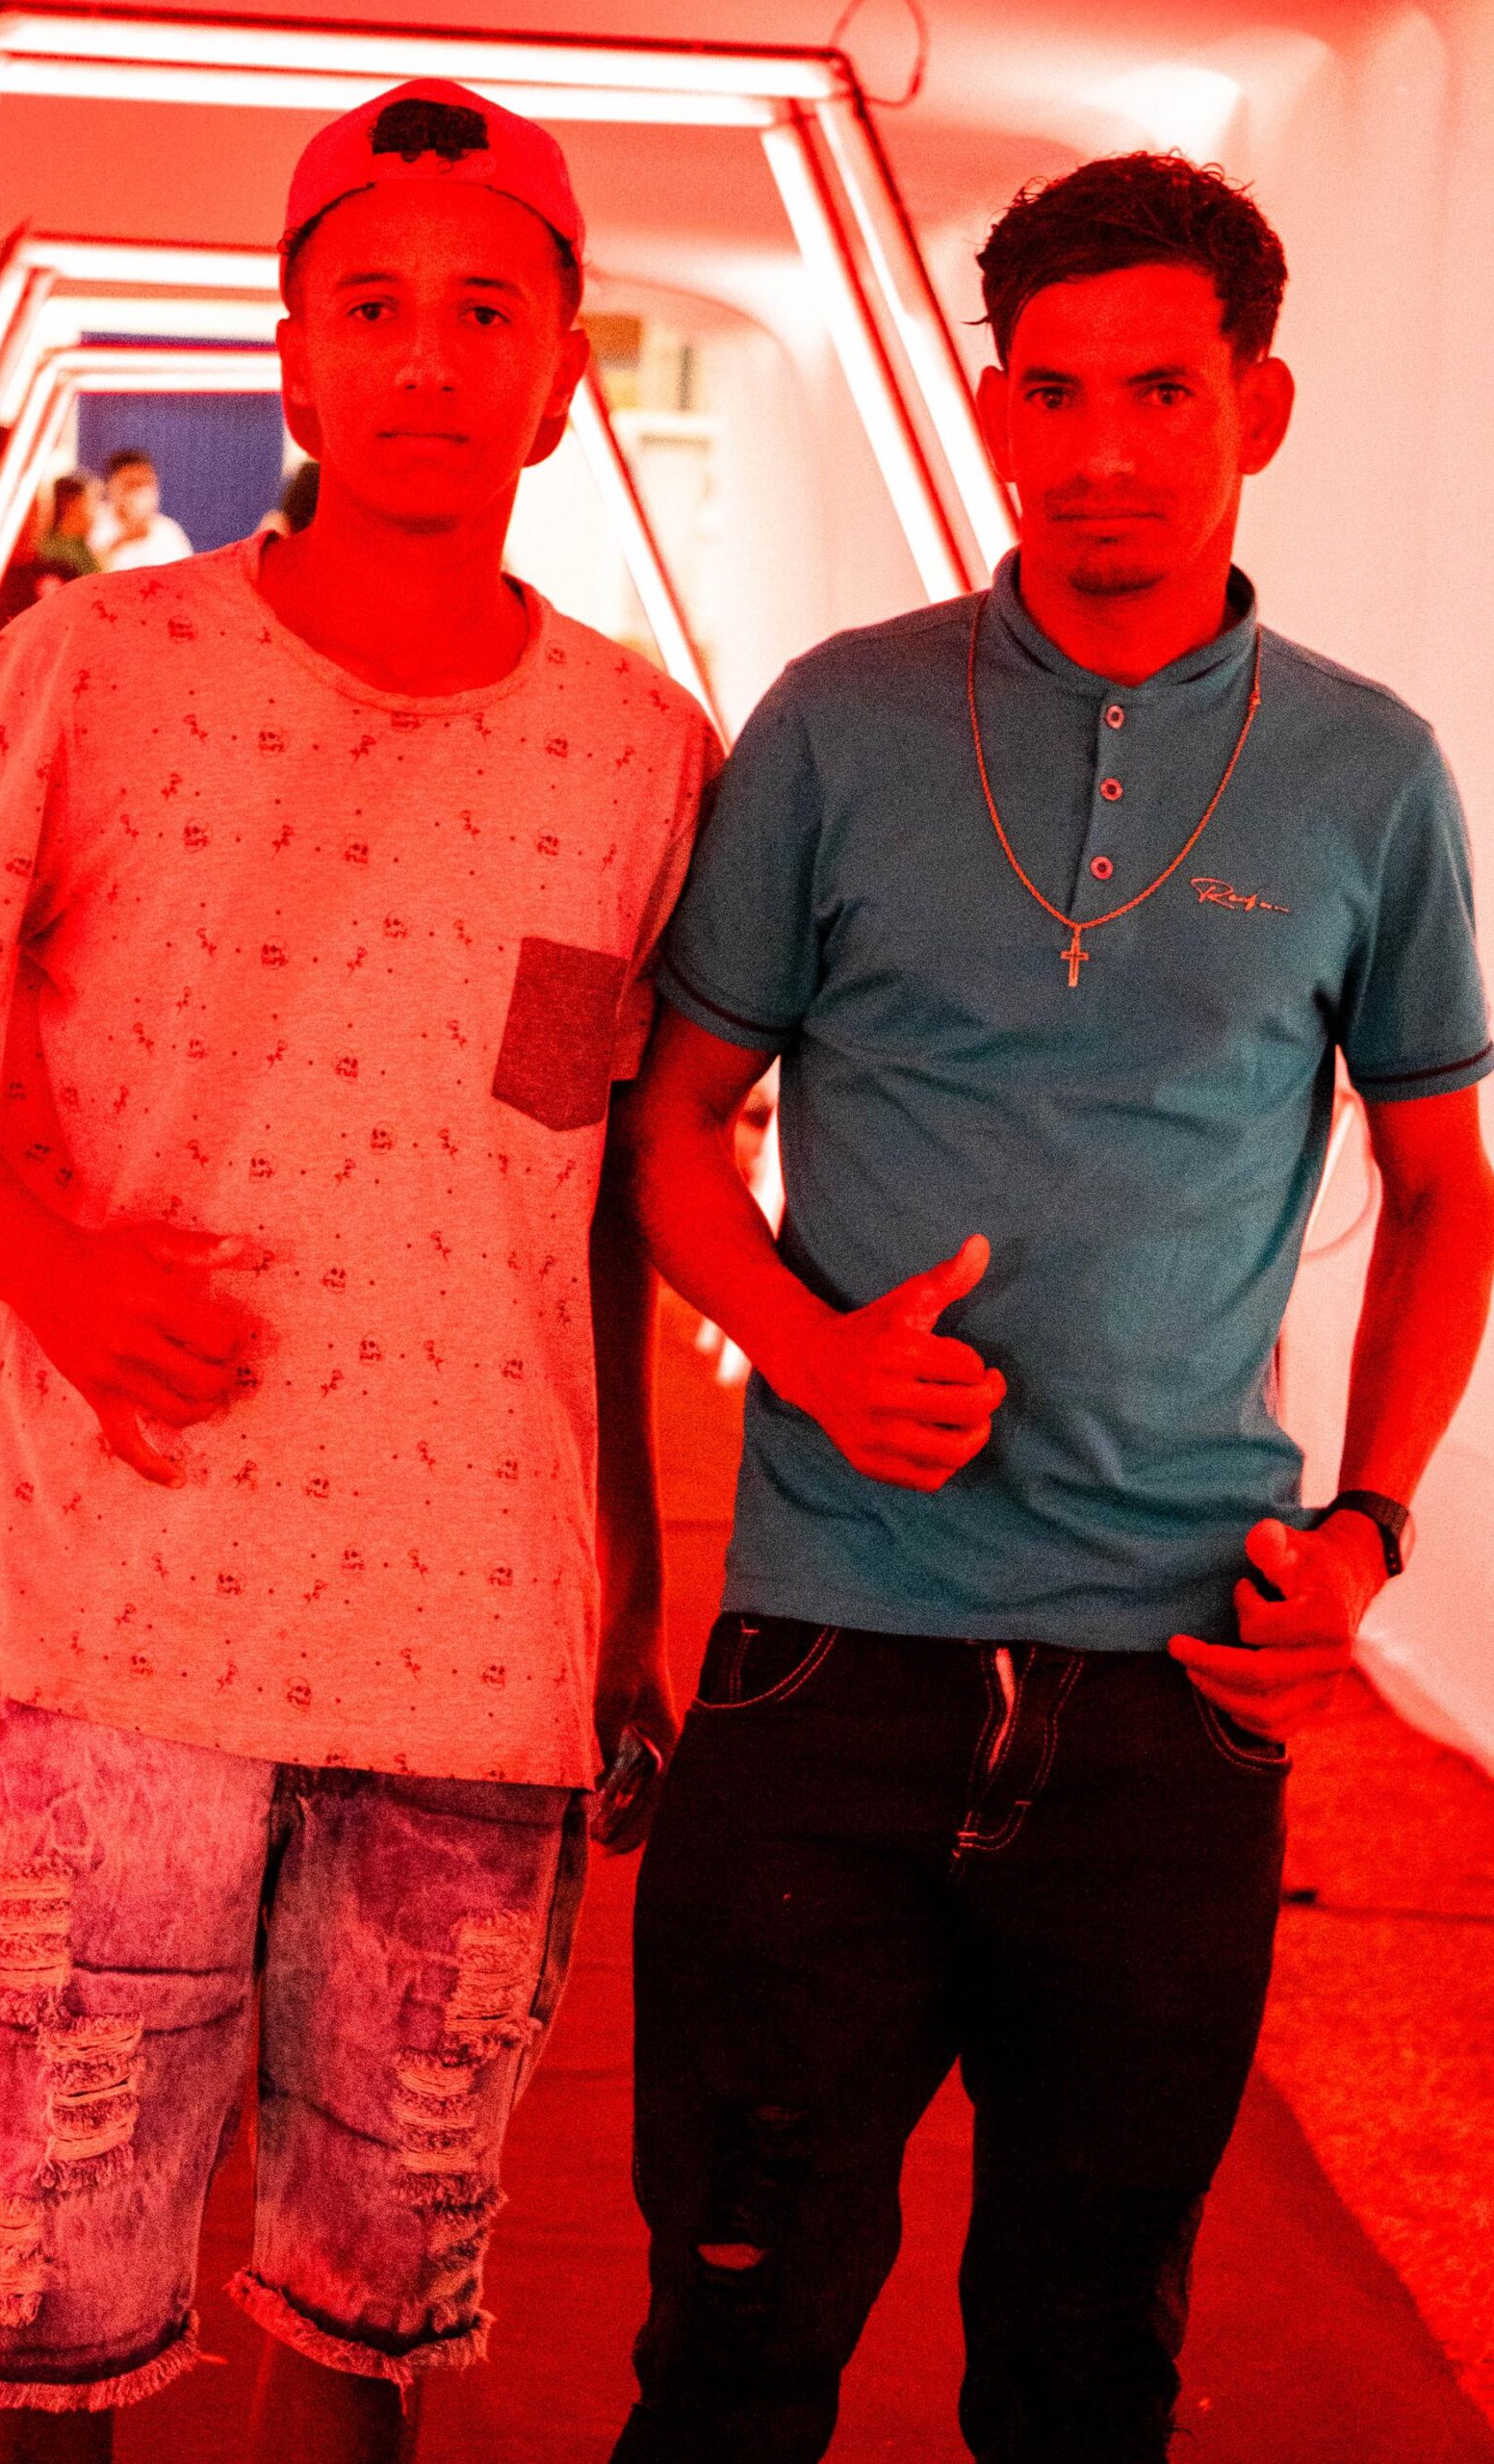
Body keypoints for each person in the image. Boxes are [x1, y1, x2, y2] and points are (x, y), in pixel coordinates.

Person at [0, 75, 715, 2464]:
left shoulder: (638, 755)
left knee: (369, 2310)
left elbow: (587, 1187)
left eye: (486, 311)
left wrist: (626, 1584)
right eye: (373, 307)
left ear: (563, 372)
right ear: (293, 362)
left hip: (477, 1648)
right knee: (43, 2293)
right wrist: (39, 1258)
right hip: (142, 1613)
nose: (429, 356)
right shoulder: (100, 662)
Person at [610, 151, 1494, 2464]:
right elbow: (668, 1121)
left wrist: (1370, 1523)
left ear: (1255, 407)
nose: (1099, 449)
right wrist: (805, 1348)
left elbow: (1437, 1185)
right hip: (826, 1656)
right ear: (995, 409)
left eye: (1158, 391)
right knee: (728, 2336)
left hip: (1174, 1684)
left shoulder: (1364, 773)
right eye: (1052, 392)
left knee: (1087, 2364)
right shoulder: (837, 723)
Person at [91, 447, 193, 570]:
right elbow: (83, 571)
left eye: (147, 483)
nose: (139, 491)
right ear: (110, 486)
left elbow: (185, 574)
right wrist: (120, 542)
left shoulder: (168, 530)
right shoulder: (92, 521)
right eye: (131, 484)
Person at [34, 472, 103, 578]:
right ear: (70, 506)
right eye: (90, 503)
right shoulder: (54, 552)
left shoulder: (81, 546)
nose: (95, 514)